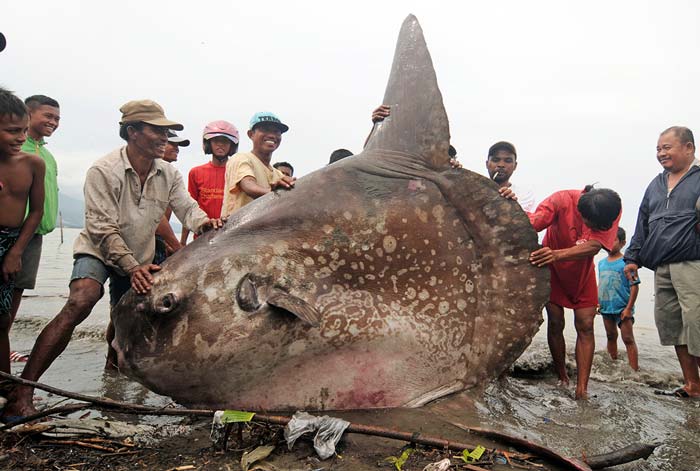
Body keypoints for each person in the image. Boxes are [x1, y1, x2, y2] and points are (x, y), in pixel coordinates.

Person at [2, 99, 223, 421]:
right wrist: (131, 267)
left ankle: (112, 377)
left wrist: (204, 223)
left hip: (141, 256)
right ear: (133, 132)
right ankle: (23, 391)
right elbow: (102, 229)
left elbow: (186, 208)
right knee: (82, 300)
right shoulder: (103, 170)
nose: (164, 138)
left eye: (166, 132)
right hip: (99, 251)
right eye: (157, 131)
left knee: (124, 319)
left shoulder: (168, 173)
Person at [624, 126, 700, 398]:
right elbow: (642, 222)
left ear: (689, 148)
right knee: (672, 326)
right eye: (658, 149)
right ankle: (693, 384)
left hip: (693, 262)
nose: (661, 153)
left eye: (667, 147)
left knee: (697, 323)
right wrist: (632, 257)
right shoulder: (655, 184)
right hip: (662, 266)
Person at [528, 185, 621, 399]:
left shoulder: (612, 206)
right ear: (581, 213)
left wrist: (557, 255)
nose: (598, 228)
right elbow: (533, 222)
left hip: (581, 271)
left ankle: (582, 389)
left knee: (586, 325)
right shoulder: (560, 200)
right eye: (593, 225)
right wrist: (505, 198)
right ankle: (562, 377)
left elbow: (594, 247)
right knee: (556, 321)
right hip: (550, 268)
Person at [6, 95, 60, 363]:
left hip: (35, 235)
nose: (53, 122)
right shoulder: (16, 149)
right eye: (47, 116)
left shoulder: (45, 155)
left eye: (57, 119)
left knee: (15, 293)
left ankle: (5, 347)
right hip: (12, 232)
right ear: (28, 114)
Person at [0, 88, 45, 377]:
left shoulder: (32, 164)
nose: (21, 138)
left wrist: (16, 251)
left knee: (2, 320)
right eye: (12, 131)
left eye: (24, 131)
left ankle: (4, 386)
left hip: (10, 243)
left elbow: (36, 211)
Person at [221, 112, 295, 217]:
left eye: (277, 132)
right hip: (237, 231)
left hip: (265, 232)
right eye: (265, 129)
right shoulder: (240, 158)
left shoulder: (278, 174)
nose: (272, 135)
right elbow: (248, 186)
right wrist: (276, 194)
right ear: (251, 134)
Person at [181, 121, 238, 245]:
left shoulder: (238, 172)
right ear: (208, 143)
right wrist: (182, 242)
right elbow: (189, 208)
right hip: (202, 238)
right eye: (216, 140)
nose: (220, 145)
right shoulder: (195, 172)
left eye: (225, 141)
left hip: (231, 237)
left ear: (232, 146)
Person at [598, 227, 639, 370]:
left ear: (623, 243)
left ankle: (634, 370)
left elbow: (634, 285)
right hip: (606, 307)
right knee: (610, 336)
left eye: (613, 240)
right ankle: (612, 364)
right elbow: (601, 283)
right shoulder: (601, 263)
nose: (609, 243)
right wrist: (598, 302)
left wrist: (628, 308)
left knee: (628, 339)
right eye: (607, 239)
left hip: (622, 308)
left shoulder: (628, 263)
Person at [153, 130, 191, 264]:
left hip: (159, 240)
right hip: (147, 242)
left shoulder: (170, 175)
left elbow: (186, 207)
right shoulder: (149, 172)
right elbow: (155, 216)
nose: (177, 148)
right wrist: (177, 247)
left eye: (178, 145)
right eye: (172, 144)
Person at [485, 141, 536, 213]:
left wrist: (510, 204)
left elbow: (524, 221)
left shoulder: (524, 195)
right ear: (487, 164)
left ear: (515, 166)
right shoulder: (473, 189)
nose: (501, 165)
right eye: (496, 160)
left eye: (507, 161)